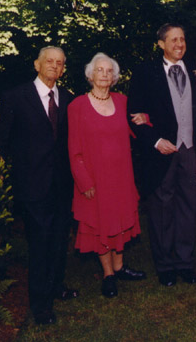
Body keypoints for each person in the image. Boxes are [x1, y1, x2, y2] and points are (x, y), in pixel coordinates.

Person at [0, 46, 78, 325]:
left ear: (64, 68)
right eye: (49, 62)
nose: (55, 66)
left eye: (60, 63)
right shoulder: (15, 97)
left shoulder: (68, 99)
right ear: (37, 65)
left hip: (62, 186)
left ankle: (56, 287)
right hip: (32, 187)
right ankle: (40, 305)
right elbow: (1, 144)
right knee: (40, 243)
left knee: (58, 240)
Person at [127, 24, 196, 287]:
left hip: (189, 150)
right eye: (173, 40)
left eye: (182, 39)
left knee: (188, 207)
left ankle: (184, 263)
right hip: (161, 151)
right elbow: (134, 114)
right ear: (161, 44)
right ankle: (165, 265)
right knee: (162, 208)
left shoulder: (193, 73)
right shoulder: (146, 72)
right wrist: (156, 141)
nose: (179, 44)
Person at [68, 53, 146, 298]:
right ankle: (108, 274)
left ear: (114, 77)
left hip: (121, 178)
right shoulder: (77, 105)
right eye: (99, 70)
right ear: (90, 75)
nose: (104, 74)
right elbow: (74, 149)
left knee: (121, 222)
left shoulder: (123, 102)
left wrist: (145, 119)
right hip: (95, 180)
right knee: (100, 224)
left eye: (108, 71)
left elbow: (137, 128)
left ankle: (120, 267)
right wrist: (84, 181)